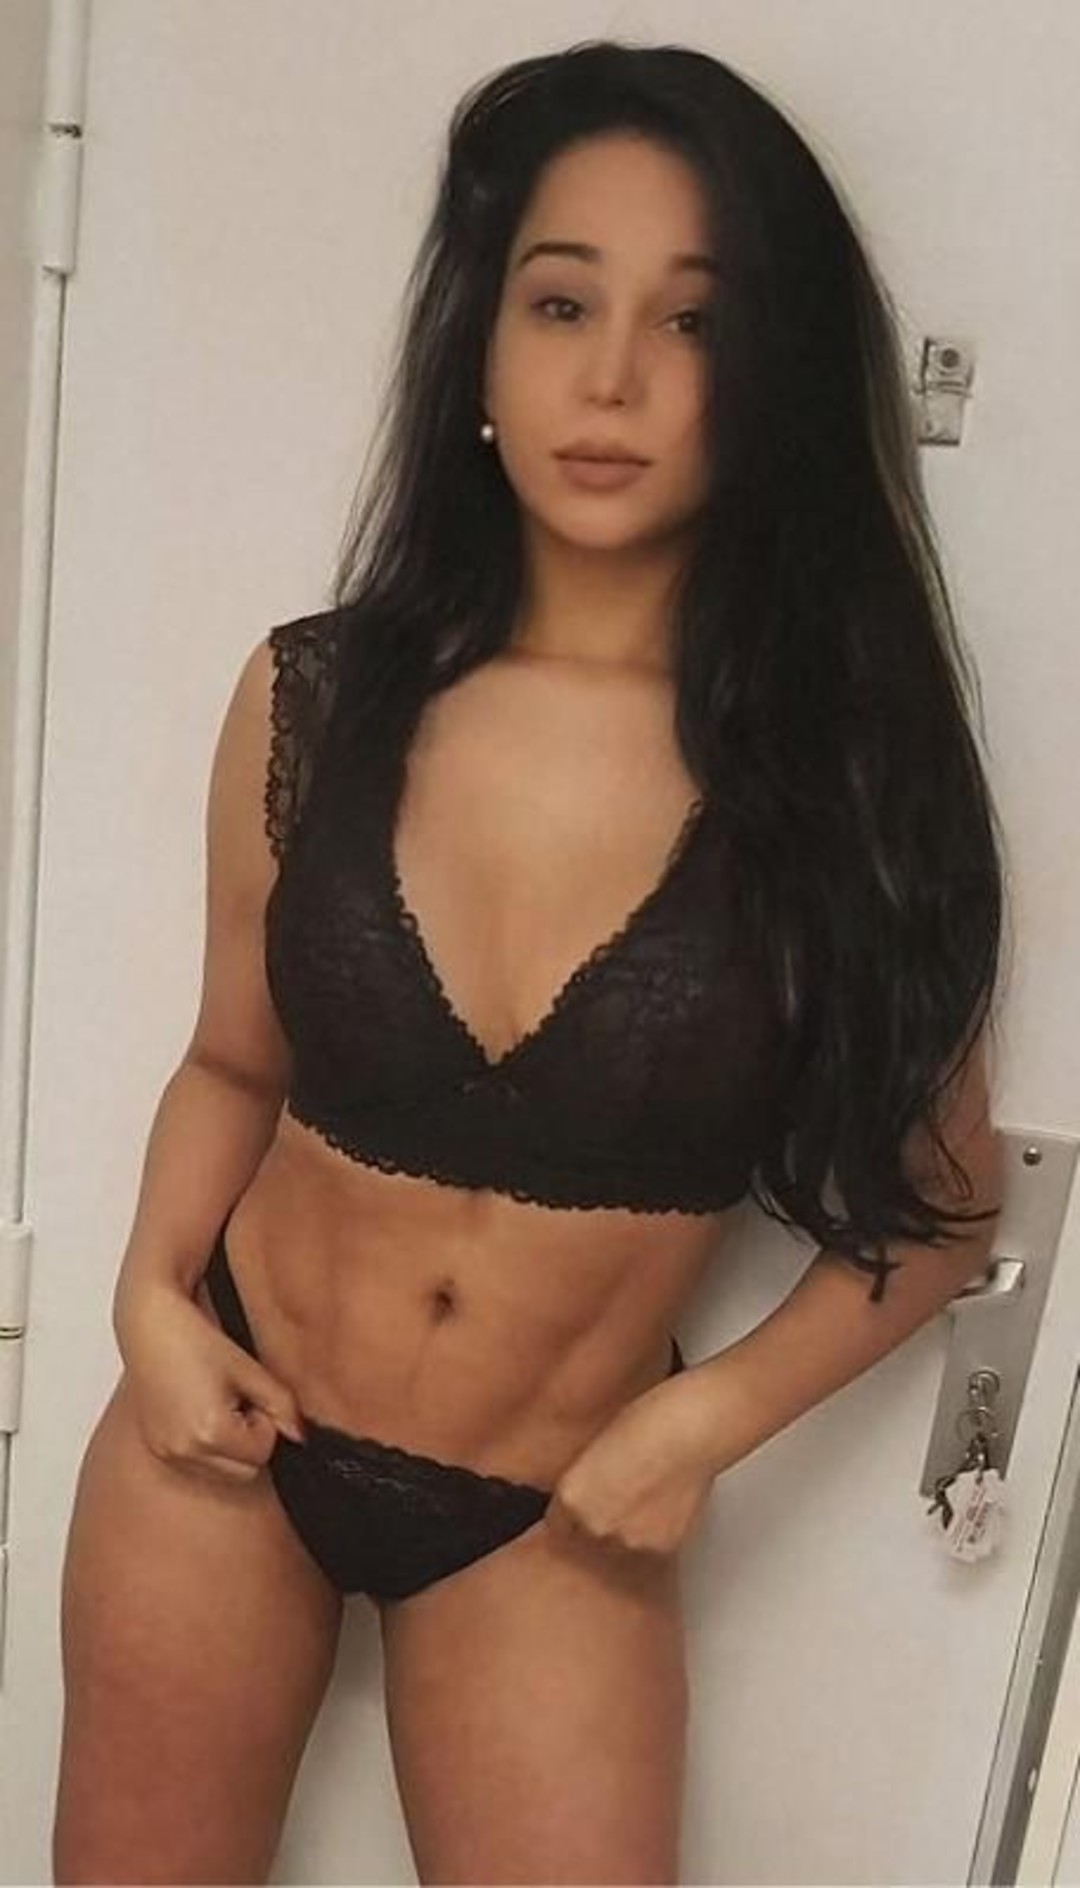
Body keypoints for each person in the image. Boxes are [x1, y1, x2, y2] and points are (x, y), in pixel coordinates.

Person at [51, 37, 1008, 1887]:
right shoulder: (317, 695)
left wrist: (706, 1422)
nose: (613, 375)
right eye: (561, 301)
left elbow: (944, 1212)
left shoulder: (849, 784)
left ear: (773, 379)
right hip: (224, 1438)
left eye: (694, 322)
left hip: (552, 1513)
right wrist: (147, 1305)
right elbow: (234, 1062)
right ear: (479, 347)